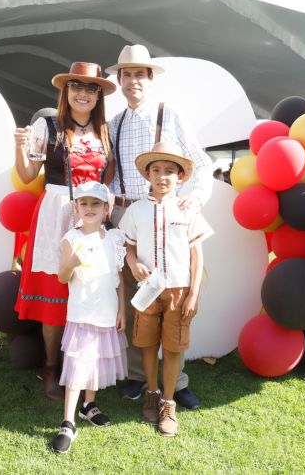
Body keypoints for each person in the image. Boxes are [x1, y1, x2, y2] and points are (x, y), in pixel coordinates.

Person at [105, 44, 214, 409]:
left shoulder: (170, 114)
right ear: (119, 80)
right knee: (139, 301)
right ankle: (140, 378)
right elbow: (112, 175)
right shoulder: (115, 123)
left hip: (168, 214)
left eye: (140, 74)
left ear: (150, 79)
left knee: (176, 296)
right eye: (127, 74)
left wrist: (193, 199)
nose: (133, 80)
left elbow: (200, 163)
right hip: (129, 215)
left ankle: (176, 382)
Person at [13, 62, 117, 400]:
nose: (83, 93)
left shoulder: (106, 132)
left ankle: (84, 367)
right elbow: (28, 175)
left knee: (88, 292)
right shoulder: (48, 124)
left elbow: (108, 175)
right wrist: (19, 146)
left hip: (90, 217)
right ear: (66, 91)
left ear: (98, 95)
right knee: (55, 298)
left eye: (90, 88)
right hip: (57, 213)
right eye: (76, 86)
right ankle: (51, 367)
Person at [119, 142, 214, 436]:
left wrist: (194, 294)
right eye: (156, 170)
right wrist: (133, 264)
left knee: (173, 347)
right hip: (147, 290)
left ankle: (168, 402)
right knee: (147, 343)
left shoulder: (187, 210)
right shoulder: (136, 211)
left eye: (169, 171)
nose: (162, 177)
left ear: (181, 177)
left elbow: (197, 255)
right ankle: (151, 392)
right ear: (147, 174)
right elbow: (128, 248)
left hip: (178, 290)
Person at [51, 181, 128, 454]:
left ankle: (89, 405)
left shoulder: (115, 238)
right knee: (78, 366)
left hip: (106, 312)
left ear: (106, 209)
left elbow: (118, 280)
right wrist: (71, 263)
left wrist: (121, 310)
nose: (90, 208)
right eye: (84, 203)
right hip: (82, 313)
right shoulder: (72, 239)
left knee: (96, 362)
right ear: (77, 208)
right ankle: (68, 421)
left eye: (96, 203)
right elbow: (62, 276)